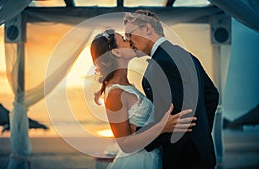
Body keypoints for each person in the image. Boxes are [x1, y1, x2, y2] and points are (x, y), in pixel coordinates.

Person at [124, 10, 219, 169]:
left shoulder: (161, 64)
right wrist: (201, 134)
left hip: (184, 159)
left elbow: (175, 117)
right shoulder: (185, 54)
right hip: (201, 155)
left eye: (130, 34)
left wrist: (137, 134)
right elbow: (212, 95)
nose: (129, 41)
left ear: (147, 28)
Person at [91, 29, 197, 169]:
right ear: (116, 52)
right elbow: (125, 145)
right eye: (123, 39)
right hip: (138, 162)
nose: (129, 40)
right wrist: (161, 127)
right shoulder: (115, 94)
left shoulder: (127, 86)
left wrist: (141, 129)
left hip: (152, 156)